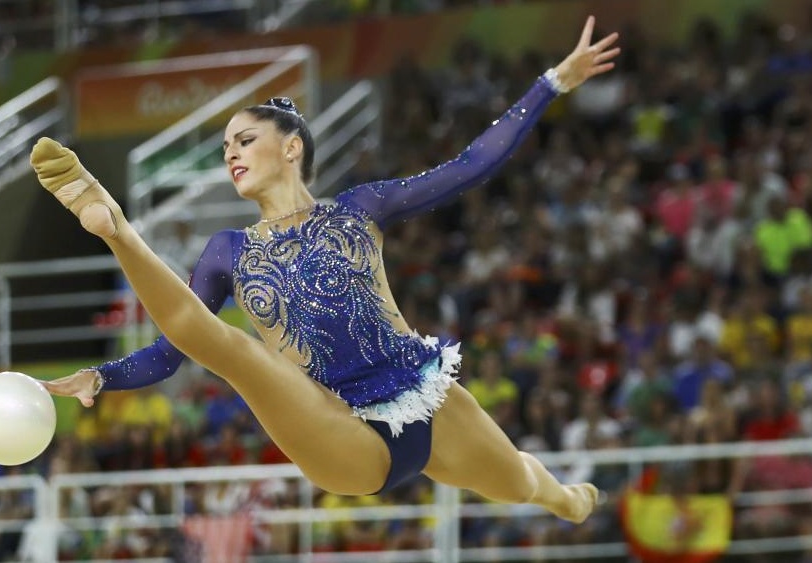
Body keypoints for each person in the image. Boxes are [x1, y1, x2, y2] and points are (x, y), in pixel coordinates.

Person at [31, 17, 619, 523]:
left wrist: (552, 82)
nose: (230, 153)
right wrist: (103, 376)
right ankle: (116, 227)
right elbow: (172, 349)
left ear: (291, 148)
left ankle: (566, 499)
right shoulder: (228, 251)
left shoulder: (360, 208)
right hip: (337, 426)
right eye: (226, 147)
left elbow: (469, 165)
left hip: (425, 397)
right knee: (236, 352)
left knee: (518, 482)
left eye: (244, 140)